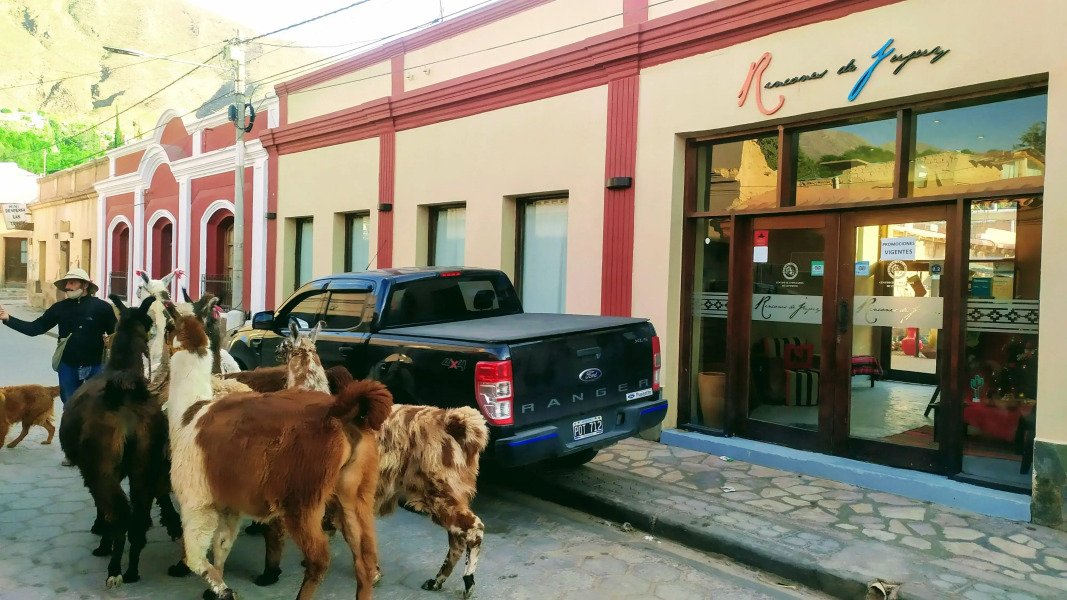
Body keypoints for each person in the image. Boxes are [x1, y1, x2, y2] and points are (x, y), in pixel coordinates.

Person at [0, 268, 117, 408]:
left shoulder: (102, 307)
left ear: (85, 285)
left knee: (97, 406)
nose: (67, 287)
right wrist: (7, 318)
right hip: (68, 365)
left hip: (96, 365)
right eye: (67, 283)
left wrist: (111, 340)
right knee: (69, 406)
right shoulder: (59, 308)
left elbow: (116, 333)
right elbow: (35, 328)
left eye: (72, 283)